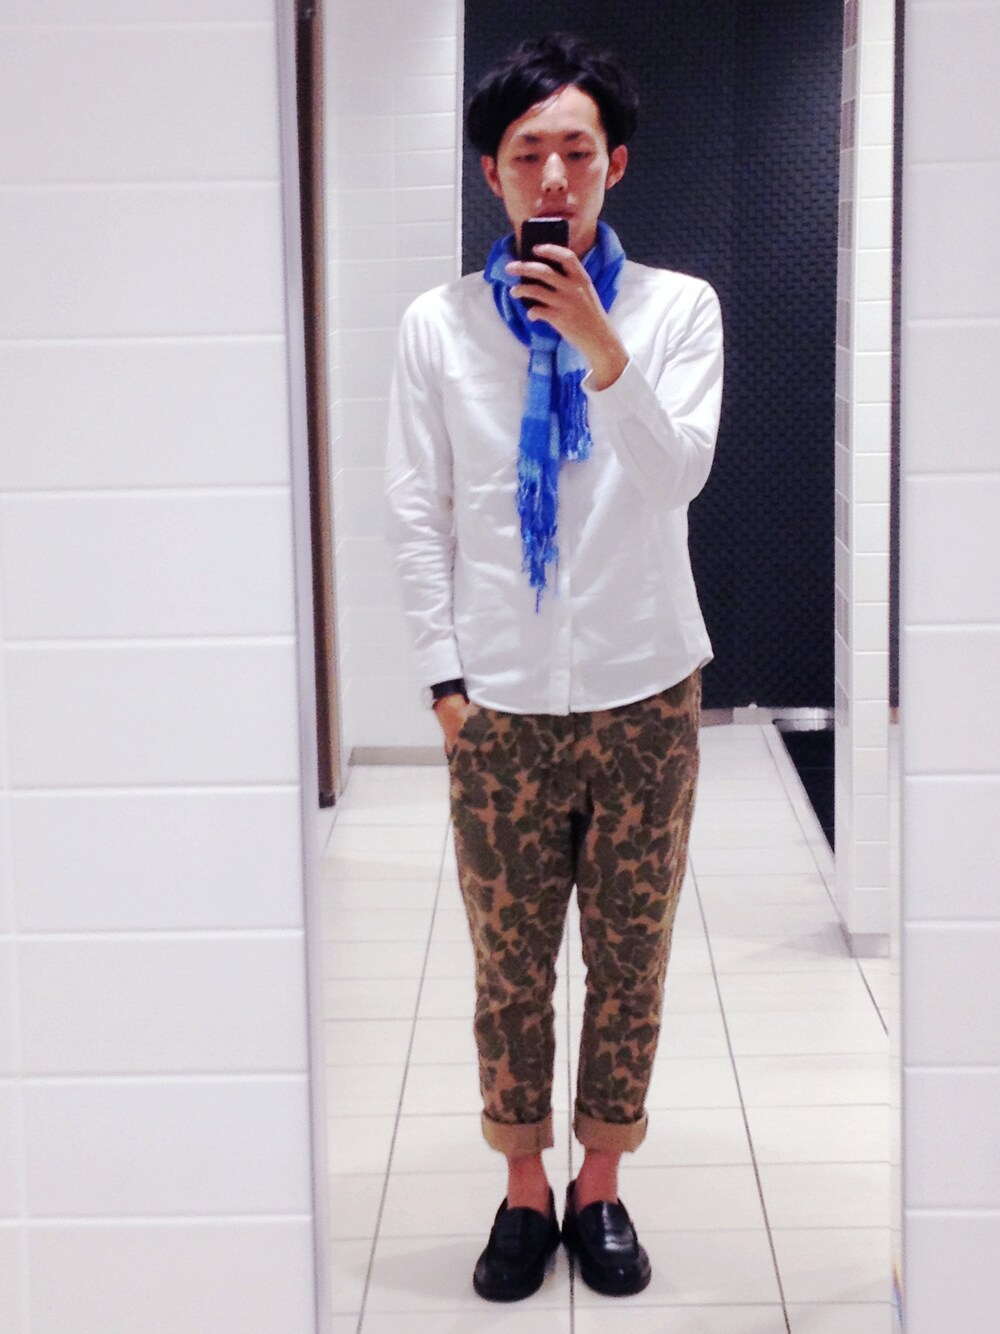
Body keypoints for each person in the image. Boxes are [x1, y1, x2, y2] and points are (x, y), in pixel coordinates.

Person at [385, 32, 724, 1303]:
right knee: (510, 967)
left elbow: (676, 473)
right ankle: (524, 1187)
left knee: (629, 961)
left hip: (645, 692)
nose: (553, 176)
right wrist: (446, 687)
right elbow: (416, 509)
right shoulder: (437, 326)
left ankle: (600, 1183)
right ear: (491, 172)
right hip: (502, 707)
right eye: (527, 152)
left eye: (576, 150)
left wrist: (599, 344)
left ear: (614, 165)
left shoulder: (676, 310)